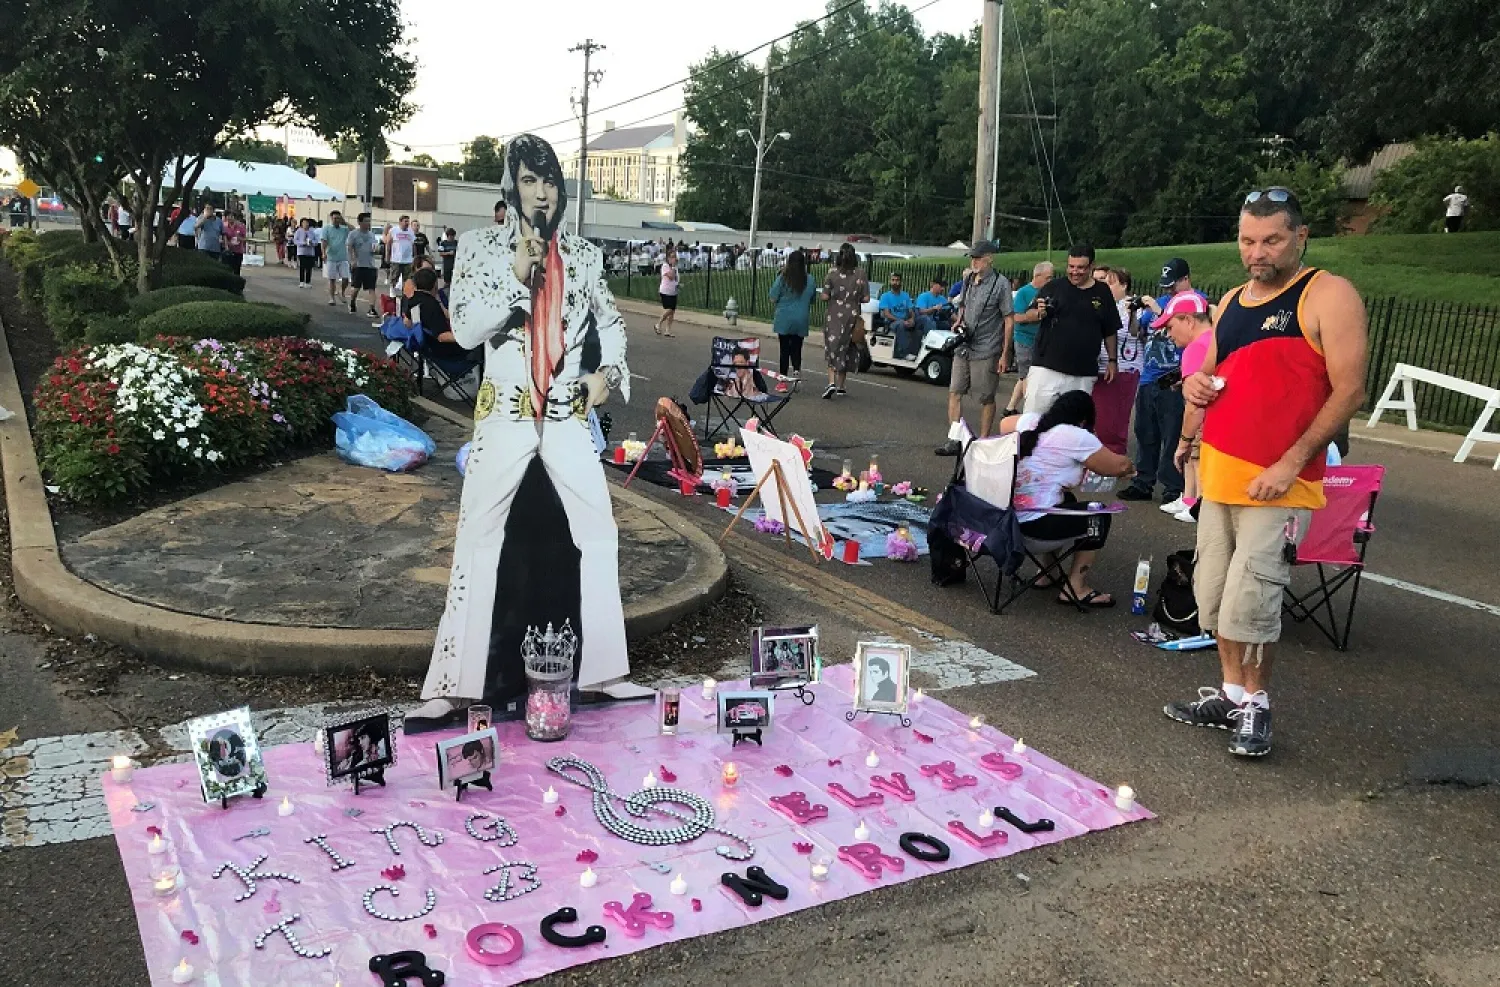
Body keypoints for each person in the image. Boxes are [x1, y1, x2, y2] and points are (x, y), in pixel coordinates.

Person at [406, 133, 631, 725]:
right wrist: (516, 273)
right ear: (511, 188)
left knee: (599, 531)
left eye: (549, 180)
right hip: (504, 411)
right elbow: (468, 326)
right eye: (529, 180)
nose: (541, 192)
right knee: (476, 540)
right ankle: (451, 685)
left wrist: (607, 372)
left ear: (560, 190)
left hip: (564, 413)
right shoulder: (480, 248)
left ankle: (605, 673)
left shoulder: (583, 256)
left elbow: (611, 323)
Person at [1164, 187, 1368, 758]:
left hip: (1276, 478)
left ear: (1300, 237)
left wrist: (1291, 462)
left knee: (1254, 602)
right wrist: (1194, 392)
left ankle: (1257, 704)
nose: (1258, 252)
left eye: (1272, 240)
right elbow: (1207, 373)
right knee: (1216, 597)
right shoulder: (1229, 301)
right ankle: (1230, 693)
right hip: (1220, 473)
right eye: (1248, 240)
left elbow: (1350, 389)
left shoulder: (1328, 294)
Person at [998, 390, 1135, 606]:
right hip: (1032, 529)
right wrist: (1130, 471)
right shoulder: (1076, 436)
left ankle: (1047, 573)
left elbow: (1004, 424)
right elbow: (1119, 465)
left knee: (1067, 499)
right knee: (1099, 514)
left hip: (1004, 520)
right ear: (1083, 420)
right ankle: (1076, 587)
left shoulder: (1032, 421)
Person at [1119, 257, 1207, 507]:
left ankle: (1173, 486)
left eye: (1172, 285)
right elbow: (1139, 332)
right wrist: (1135, 313)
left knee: (1172, 433)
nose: (1168, 291)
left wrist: (1159, 312)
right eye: (1165, 286)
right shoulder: (1161, 301)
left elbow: (1188, 329)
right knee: (1145, 431)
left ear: (1185, 279)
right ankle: (1143, 482)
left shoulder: (1194, 301)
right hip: (1149, 375)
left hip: (1173, 377)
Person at [936, 241, 1013, 455]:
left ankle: (984, 442)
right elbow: (963, 304)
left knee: (985, 397)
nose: (974, 262)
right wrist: (958, 321)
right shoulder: (968, 278)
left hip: (987, 347)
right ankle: (954, 439)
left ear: (990, 258)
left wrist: (1005, 354)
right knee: (955, 391)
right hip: (964, 346)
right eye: (973, 258)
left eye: (978, 258)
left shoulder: (1001, 284)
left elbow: (1008, 319)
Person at [1024, 243, 1120, 415]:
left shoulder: (1102, 291)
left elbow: (1110, 329)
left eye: (1081, 267)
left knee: (1072, 428)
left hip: (1082, 374)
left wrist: (1113, 360)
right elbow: (1027, 315)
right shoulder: (1053, 287)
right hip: (1046, 369)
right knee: (1033, 421)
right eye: (1071, 266)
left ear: (1091, 266)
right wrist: (1039, 313)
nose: (1075, 272)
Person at [1158, 292, 1214, 523]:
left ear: (1188, 321)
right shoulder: (1219, 339)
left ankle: (1197, 505)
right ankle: (1193, 501)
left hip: (1205, 419)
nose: (1169, 334)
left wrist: (1183, 440)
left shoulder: (1194, 348)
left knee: (1194, 454)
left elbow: (1195, 405)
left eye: (1171, 326)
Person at [1090, 265, 1144, 456]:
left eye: (1110, 283)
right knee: (1099, 418)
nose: (1104, 286)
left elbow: (1135, 332)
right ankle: (1101, 457)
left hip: (1124, 367)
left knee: (1114, 419)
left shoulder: (1132, 306)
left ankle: (1114, 458)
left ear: (1124, 285)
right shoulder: (1101, 305)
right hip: (1099, 366)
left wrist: (1133, 313)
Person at [1003, 262, 1053, 415]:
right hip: (1025, 340)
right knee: (1027, 377)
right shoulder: (1024, 293)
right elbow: (1015, 317)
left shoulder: (1049, 292)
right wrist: (1033, 316)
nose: (1051, 280)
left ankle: (1010, 407)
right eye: (1048, 277)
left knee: (1026, 375)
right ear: (1037, 276)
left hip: (1042, 340)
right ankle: (1029, 412)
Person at [820, 243, 869, 399]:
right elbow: (866, 298)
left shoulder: (832, 273)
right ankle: (841, 385)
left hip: (834, 315)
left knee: (833, 347)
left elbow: (825, 296)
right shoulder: (861, 274)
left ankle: (831, 382)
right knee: (848, 348)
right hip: (853, 314)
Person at [403, 267, 474, 367]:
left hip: (426, 347)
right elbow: (442, 336)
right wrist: (466, 336)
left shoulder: (413, 301)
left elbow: (407, 322)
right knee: (479, 346)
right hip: (443, 352)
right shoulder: (431, 305)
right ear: (434, 285)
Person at [769, 249, 816, 377]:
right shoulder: (810, 279)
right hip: (801, 318)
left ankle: (783, 378)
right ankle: (796, 370)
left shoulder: (783, 278)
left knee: (784, 349)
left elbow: (773, 298)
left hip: (784, 318)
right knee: (797, 347)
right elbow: (812, 299)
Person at [347, 213, 382, 320]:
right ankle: (352, 303)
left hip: (370, 265)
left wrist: (376, 249)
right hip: (358, 265)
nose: (368, 223)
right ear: (360, 222)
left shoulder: (371, 234)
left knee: (372, 288)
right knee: (356, 288)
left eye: (369, 221)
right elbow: (350, 247)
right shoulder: (353, 234)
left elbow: (375, 247)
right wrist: (353, 260)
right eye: (366, 221)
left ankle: (372, 308)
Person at [878, 272, 917, 359]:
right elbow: (886, 314)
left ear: (901, 282)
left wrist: (912, 319)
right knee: (901, 325)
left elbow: (911, 310)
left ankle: (916, 351)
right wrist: (901, 321)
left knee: (920, 322)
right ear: (890, 281)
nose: (895, 282)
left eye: (897, 280)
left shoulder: (905, 295)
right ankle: (904, 353)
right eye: (893, 280)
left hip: (904, 320)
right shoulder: (885, 296)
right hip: (891, 322)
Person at [322, 210, 352, 306]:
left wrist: (344, 222)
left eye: (338, 218)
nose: (336, 220)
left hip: (343, 257)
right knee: (332, 279)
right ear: (331, 218)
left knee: (346, 278)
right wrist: (323, 253)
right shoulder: (327, 228)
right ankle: (331, 298)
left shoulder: (344, 229)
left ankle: (342, 292)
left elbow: (353, 229)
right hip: (331, 256)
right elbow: (324, 241)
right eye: (334, 218)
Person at [385, 215, 416, 289]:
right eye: (405, 221)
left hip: (408, 260)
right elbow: (388, 244)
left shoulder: (410, 231)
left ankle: (405, 296)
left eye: (408, 221)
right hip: (396, 260)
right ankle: (392, 294)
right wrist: (387, 256)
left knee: (408, 280)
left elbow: (413, 244)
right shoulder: (394, 230)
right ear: (400, 222)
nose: (407, 223)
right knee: (394, 278)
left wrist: (415, 257)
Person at [655, 246, 679, 336]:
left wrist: (678, 284)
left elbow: (675, 278)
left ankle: (668, 330)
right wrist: (673, 267)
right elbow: (671, 276)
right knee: (669, 309)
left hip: (673, 291)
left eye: (675, 256)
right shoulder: (665, 266)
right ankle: (658, 323)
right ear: (668, 258)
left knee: (672, 312)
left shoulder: (675, 268)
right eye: (672, 257)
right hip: (665, 291)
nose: (674, 259)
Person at [221, 210, 247, 275]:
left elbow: (245, 239)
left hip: (238, 251)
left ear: (234, 217)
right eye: (228, 217)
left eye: (231, 216)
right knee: (228, 269)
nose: (230, 218)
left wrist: (239, 238)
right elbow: (222, 238)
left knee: (237, 269)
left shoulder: (241, 226)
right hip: (229, 251)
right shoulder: (224, 227)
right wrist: (228, 243)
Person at [293, 217, 317, 287]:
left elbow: (316, 241)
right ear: (301, 224)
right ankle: (301, 281)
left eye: (307, 223)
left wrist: (312, 243)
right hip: (302, 252)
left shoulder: (312, 232)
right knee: (302, 266)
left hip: (310, 252)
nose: (306, 224)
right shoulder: (298, 231)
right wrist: (302, 243)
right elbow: (295, 241)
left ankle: (308, 282)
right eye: (304, 223)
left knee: (309, 267)